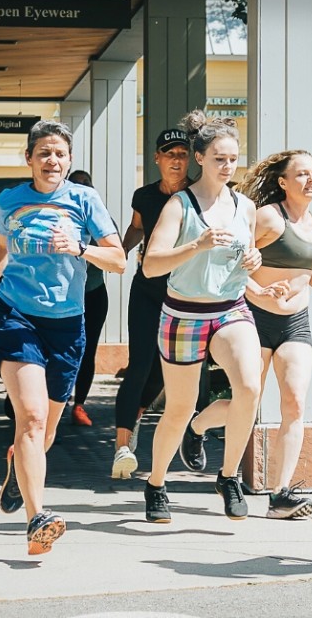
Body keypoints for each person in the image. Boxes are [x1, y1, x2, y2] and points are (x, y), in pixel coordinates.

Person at [0, 120, 126, 556]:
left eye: (59, 154)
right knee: (31, 417)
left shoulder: (84, 200)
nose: (52, 161)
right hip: (16, 316)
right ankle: (38, 518)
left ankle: (19, 467)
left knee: (46, 429)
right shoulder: (11, 199)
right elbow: (0, 247)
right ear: (29, 159)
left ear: (69, 161)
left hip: (67, 325)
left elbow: (119, 260)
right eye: (44, 153)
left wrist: (78, 248)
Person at [187, 149, 312, 519]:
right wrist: (258, 291)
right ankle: (197, 426)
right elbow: (232, 260)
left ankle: (280, 494)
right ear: (283, 182)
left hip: (296, 321)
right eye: (301, 175)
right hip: (253, 318)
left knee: (294, 404)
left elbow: (309, 268)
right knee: (248, 401)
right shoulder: (267, 218)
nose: (311, 181)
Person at [140, 110, 263, 523]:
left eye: (233, 159)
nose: (228, 167)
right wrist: (197, 244)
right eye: (219, 159)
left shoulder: (246, 207)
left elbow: (241, 265)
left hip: (230, 310)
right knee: (179, 407)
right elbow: (151, 265)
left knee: (249, 386)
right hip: (183, 315)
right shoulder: (180, 205)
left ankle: (228, 477)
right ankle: (156, 483)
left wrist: (254, 260)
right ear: (200, 158)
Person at [111, 128, 191, 479]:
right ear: (156, 159)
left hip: (184, 294)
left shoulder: (198, 194)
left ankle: (138, 415)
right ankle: (121, 448)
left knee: (163, 369)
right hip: (146, 289)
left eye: (182, 153)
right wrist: (118, 250)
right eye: (168, 153)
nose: (175, 159)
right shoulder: (143, 195)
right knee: (140, 363)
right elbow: (136, 228)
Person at [67, 169, 109, 427]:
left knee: (87, 349)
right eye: (77, 183)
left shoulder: (99, 214)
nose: (82, 187)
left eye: (87, 183)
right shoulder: (57, 213)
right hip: (63, 295)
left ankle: (79, 404)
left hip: (93, 292)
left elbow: (115, 252)